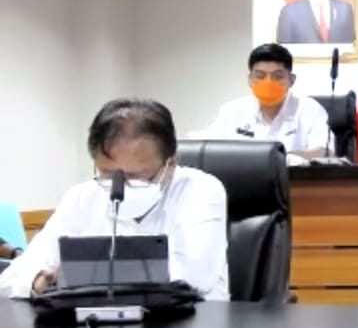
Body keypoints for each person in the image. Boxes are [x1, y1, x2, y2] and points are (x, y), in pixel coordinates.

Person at [0, 99, 229, 300]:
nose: (121, 187)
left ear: (171, 163)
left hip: (184, 326)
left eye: (136, 176)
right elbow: (15, 276)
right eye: (109, 174)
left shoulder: (201, 190)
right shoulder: (81, 197)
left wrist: (83, 277)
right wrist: (38, 283)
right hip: (91, 327)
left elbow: (193, 278)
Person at [196, 44, 333, 162]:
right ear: (250, 80)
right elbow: (208, 149)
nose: (268, 83)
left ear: (291, 80)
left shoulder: (310, 109)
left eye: (277, 76)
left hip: (294, 182)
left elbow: (324, 152)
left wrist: (276, 159)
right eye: (260, 76)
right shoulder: (232, 111)